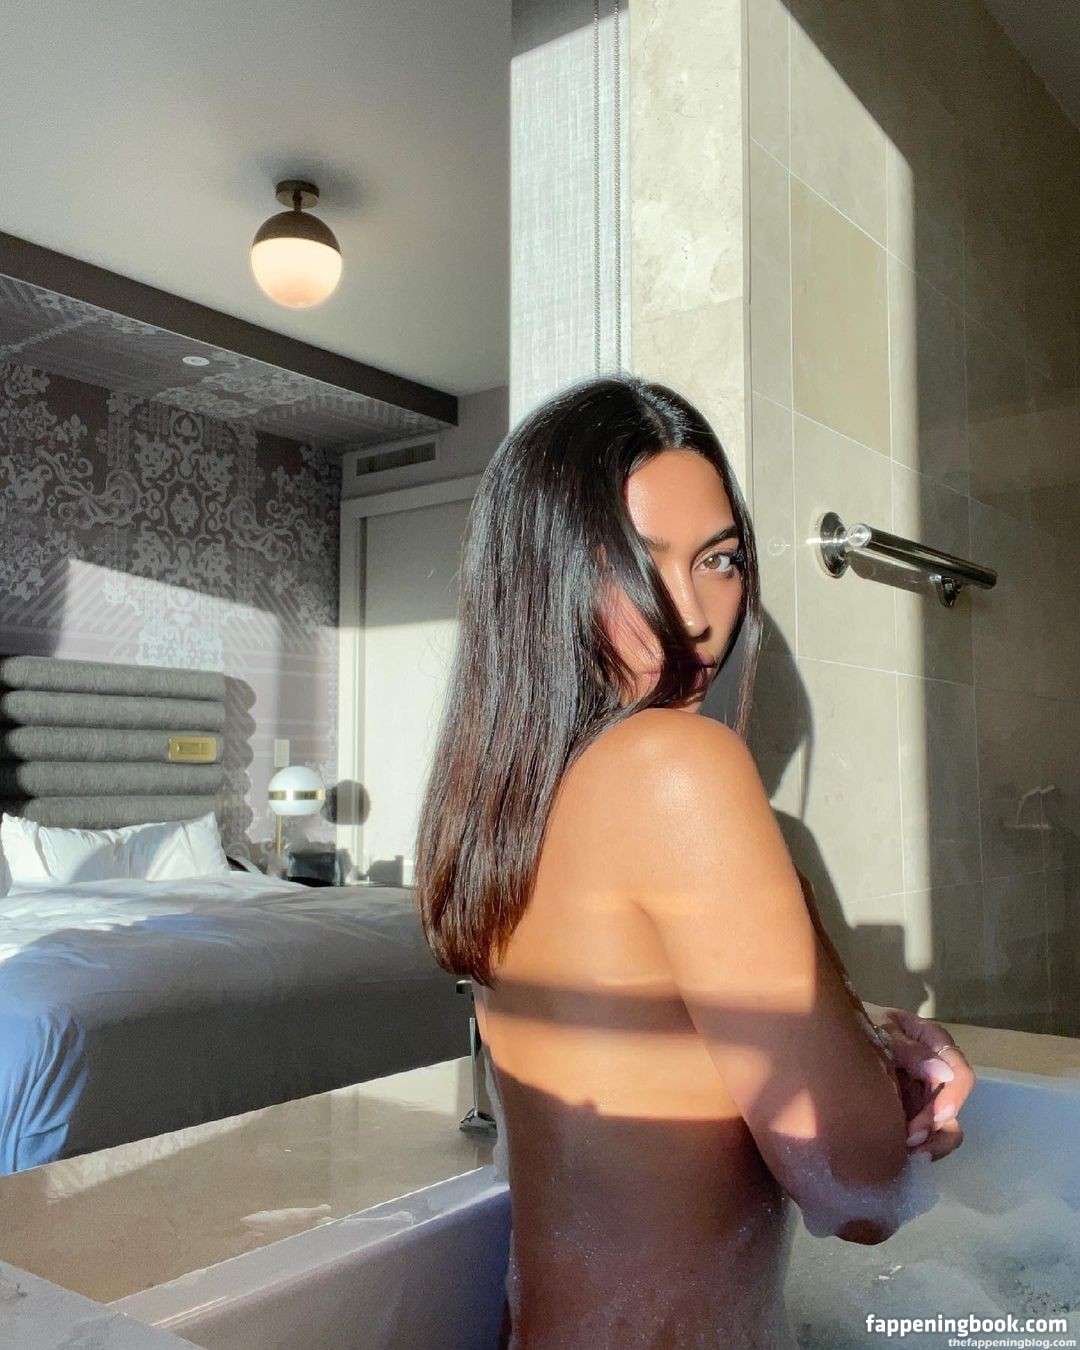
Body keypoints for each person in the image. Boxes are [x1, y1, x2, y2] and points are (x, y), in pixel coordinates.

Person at [415, 374, 975, 1349]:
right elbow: (860, 1190)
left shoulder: (513, 802)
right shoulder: (678, 764)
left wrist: (867, 1040)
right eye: (634, 562)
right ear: (543, 580)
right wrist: (904, 1083)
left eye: (719, 560)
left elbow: (669, 1054)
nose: (694, 615)